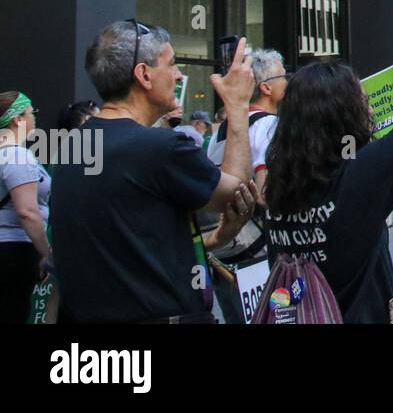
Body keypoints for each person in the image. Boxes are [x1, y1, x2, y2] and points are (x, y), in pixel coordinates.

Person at [50, 22, 258, 323]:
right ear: (144, 75)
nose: (178, 75)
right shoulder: (161, 147)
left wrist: (216, 238)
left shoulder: (73, 147)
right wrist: (238, 105)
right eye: (171, 64)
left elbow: (128, 248)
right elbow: (236, 188)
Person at [263, 61, 393, 323]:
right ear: (343, 114)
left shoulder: (278, 185)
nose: (371, 109)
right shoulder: (361, 175)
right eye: (363, 101)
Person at [0, 91, 51, 323]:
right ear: (17, 119)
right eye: (33, 112)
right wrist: (46, 252)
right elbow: (27, 212)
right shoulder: (17, 156)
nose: (35, 117)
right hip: (13, 251)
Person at [209, 47, 286, 196]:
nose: (289, 81)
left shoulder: (222, 128)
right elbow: (265, 191)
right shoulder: (269, 124)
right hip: (249, 215)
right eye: (284, 76)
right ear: (266, 88)